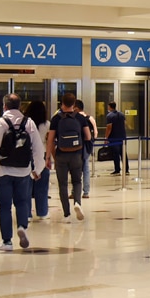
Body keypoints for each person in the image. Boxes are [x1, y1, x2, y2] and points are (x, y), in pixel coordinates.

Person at [0, 94, 44, 251]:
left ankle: (7, 242)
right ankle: (22, 227)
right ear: (20, 106)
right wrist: (37, 169)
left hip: (2, 171)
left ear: (4, 106)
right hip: (23, 171)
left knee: (5, 206)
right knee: (22, 202)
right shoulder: (29, 123)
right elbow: (38, 148)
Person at [46, 92, 92, 223]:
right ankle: (77, 203)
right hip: (77, 154)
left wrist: (48, 157)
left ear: (62, 103)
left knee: (63, 184)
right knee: (77, 181)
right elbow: (88, 136)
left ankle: (66, 214)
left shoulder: (56, 119)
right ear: (74, 104)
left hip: (61, 155)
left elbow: (50, 140)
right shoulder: (80, 118)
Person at [25, 100, 52, 220]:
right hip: (43, 155)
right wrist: (49, 158)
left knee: (26, 186)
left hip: (27, 156)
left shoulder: (25, 123)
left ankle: (27, 213)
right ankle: (42, 212)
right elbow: (49, 142)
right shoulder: (47, 125)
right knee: (42, 186)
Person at [72, 100, 97, 197]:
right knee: (86, 168)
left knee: (75, 169)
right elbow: (95, 133)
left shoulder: (75, 118)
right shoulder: (90, 118)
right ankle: (86, 192)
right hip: (86, 146)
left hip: (76, 146)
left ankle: (74, 192)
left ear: (77, 108)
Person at [104, 101, 128, 176]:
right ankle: (126, 170)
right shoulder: (121, 114)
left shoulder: (109, 116)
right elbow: (125, 124)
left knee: (115, 154)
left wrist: (106, 138)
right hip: (122, 136)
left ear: (110, 107)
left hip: (114, 138)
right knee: (123, 154)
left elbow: (109, 128)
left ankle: (117, 170)